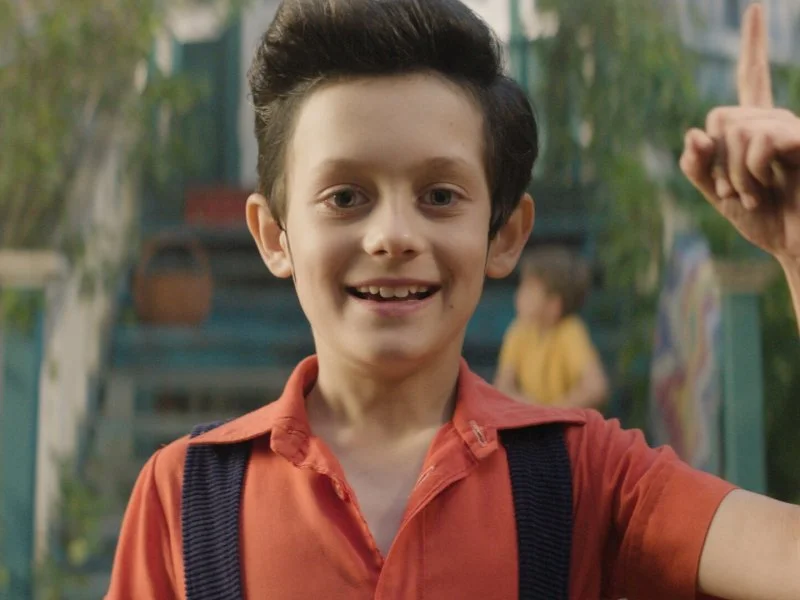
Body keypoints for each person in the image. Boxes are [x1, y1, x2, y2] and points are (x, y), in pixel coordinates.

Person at [105, 1, 800, 599]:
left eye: (439, 196)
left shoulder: (584, 477)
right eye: (345, 197)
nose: (393, 236)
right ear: (273, 235)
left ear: (505, 235)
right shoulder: (184, 498)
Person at [494, 246, 609, 408]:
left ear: (553, 305)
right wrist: (532, 410)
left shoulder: (570, 331)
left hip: (562, 421)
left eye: (530, 289)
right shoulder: (519, 330)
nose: (519, 295)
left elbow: (596, 388)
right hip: (531, 418)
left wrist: (555, 412)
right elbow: (502, 386)